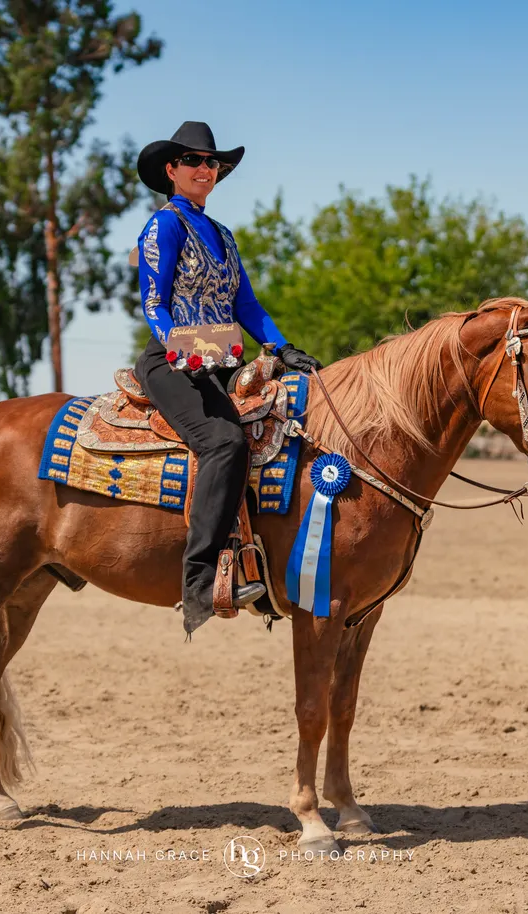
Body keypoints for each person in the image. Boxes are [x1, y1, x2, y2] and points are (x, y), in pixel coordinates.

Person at [134, 121, 322, 633]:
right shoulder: (164, 226)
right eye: (192, 161)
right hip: (171, 363)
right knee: (223, 443)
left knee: (287, 425)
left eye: (211, 162)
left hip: (221, 362)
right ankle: (197, 581)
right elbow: (153, 302)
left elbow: (246, 305)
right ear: (171, 170)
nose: (204, 169)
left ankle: (261, 560)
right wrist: (180, 349)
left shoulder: (224, 236)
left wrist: (281, 347)